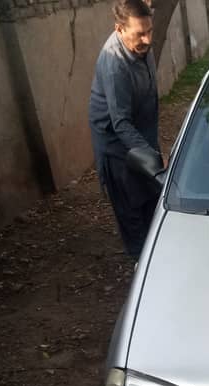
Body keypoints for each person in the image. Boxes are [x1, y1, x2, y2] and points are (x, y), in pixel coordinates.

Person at [89, 0, 163, 258]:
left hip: (140, 136)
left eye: (150, 31)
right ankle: (142, 266)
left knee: (153, 200)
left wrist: (152, 152)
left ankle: (157, 254)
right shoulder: (115, 65)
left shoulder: (142, 46)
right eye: (139, 34)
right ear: (119, 30)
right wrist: (152, 158)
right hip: (116, 148)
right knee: (132, 214)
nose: (147, 39)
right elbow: (120, 122)